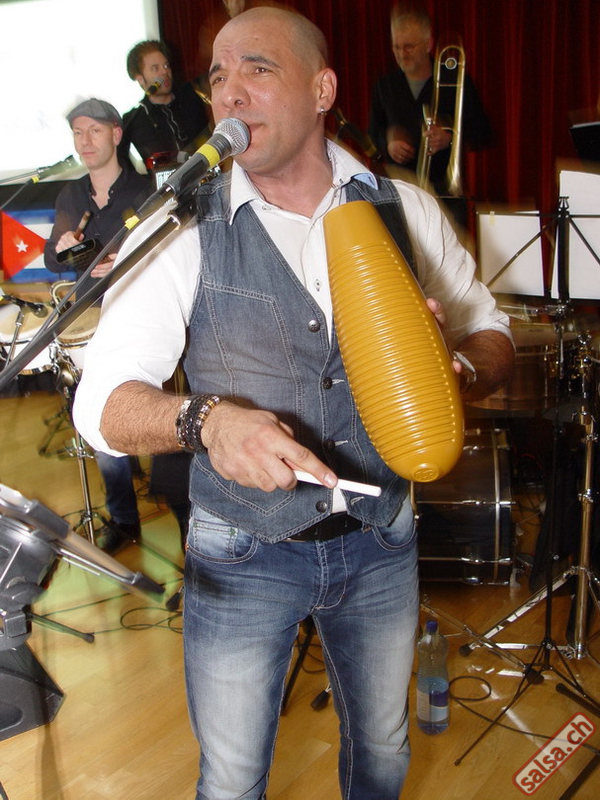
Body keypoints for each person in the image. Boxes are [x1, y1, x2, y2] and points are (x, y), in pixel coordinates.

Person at [73, 7, 514, 798]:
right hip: (242, 549)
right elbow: (100, 402)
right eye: (218, 76)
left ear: (322, 90)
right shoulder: (180, 226)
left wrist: (457, 373)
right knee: (232, 780)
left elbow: (491, 329)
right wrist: (204, 421)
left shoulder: (405, 209)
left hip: (382, 539)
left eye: (258, 68)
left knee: (382, 756)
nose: (230, 92)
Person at [44, 97, 153, 553]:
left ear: (115, 134)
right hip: (92, 315)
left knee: (130, 408)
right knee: (101, 413)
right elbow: (54, 260)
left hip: (141, 311)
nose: (85, 141)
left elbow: (167, 249)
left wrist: (125, 260)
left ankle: (152, 500)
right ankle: (125, 519)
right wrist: (63, 248)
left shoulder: (145, 189)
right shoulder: (71, 196)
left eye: (94, 131)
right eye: (77, 133)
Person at [368, 6, 492, 202]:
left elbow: (483, 132)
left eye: (409, 47)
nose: (402, 54)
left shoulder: (455, 80)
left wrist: (449, 137)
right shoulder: (385, 86)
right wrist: (388, 144)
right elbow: (372, 134)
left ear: (428, 44)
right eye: (396, 47)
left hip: (445, 194)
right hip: (401, 194)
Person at [121, 40, 211, 167]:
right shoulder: (134, 120)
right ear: (140, 79)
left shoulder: (192, 94)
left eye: (166, 65)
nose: (164, 72)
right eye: (155, 68)